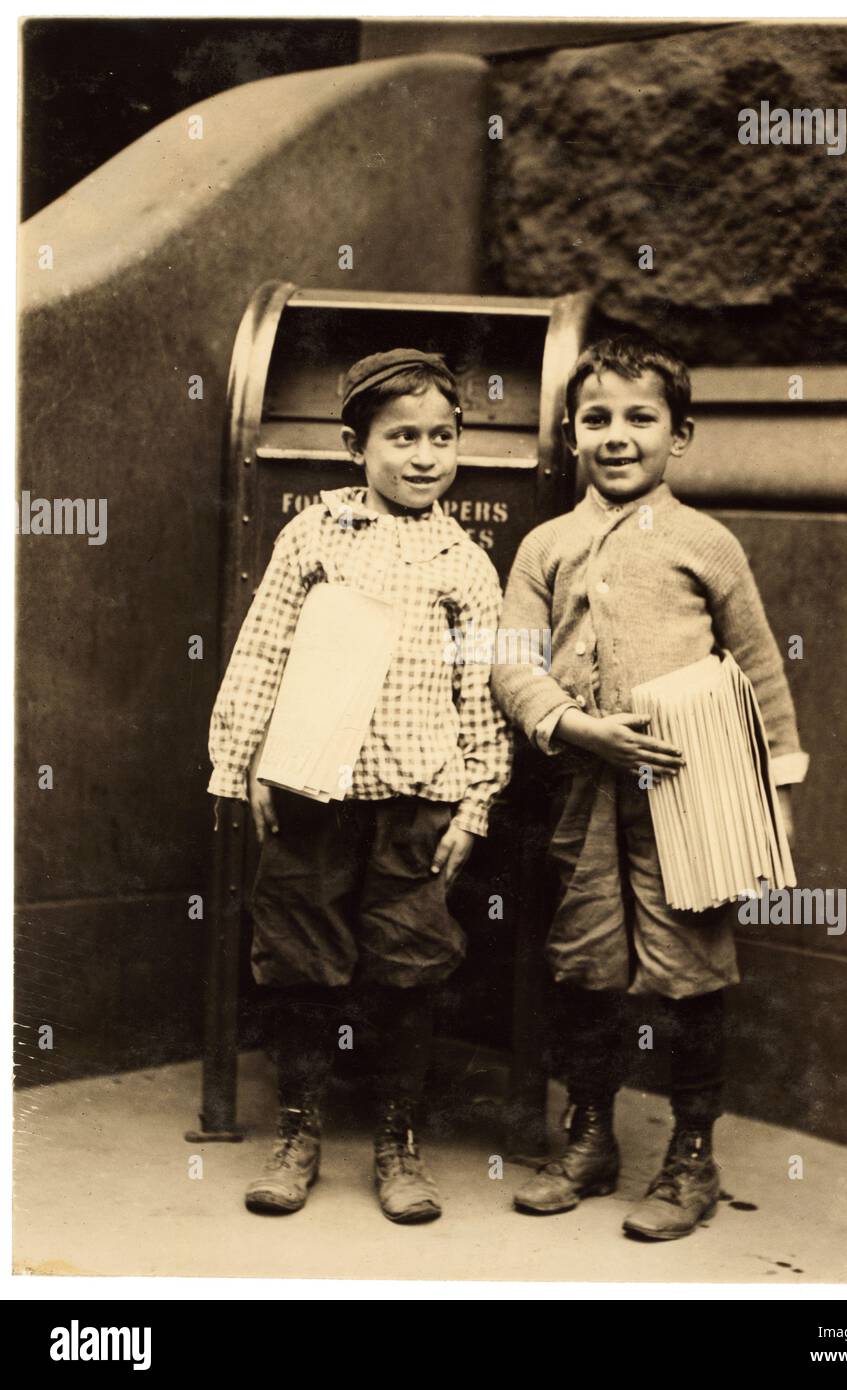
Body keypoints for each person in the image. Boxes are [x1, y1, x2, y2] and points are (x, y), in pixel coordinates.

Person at [490, 334, 808, 1240]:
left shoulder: (706, 543)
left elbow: (757, 666)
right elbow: (510, 663)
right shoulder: (545, 546)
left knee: (690, 974)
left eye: (640, 418)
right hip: (580, 794)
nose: (617, 435)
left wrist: (773, 793)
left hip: (690, 796)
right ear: (569, 434)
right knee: (583, 966)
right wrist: (573, 723)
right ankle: (589, 1139)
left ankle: (691, 1159)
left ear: (681, 436)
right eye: (597, 419)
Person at [208, 348, 513, 1224]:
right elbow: (263, 647)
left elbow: (480, 686)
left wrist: (476, 800)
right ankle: (297, 1131)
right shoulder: (312, 535)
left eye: (441, 437)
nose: (424, 457)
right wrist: (247, 761)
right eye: (401, 438)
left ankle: (397, 1139)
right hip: (311, 789)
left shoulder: (464, 560)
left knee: (408, 962)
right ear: (355, 446)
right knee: (300, 957)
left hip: (417, 796)